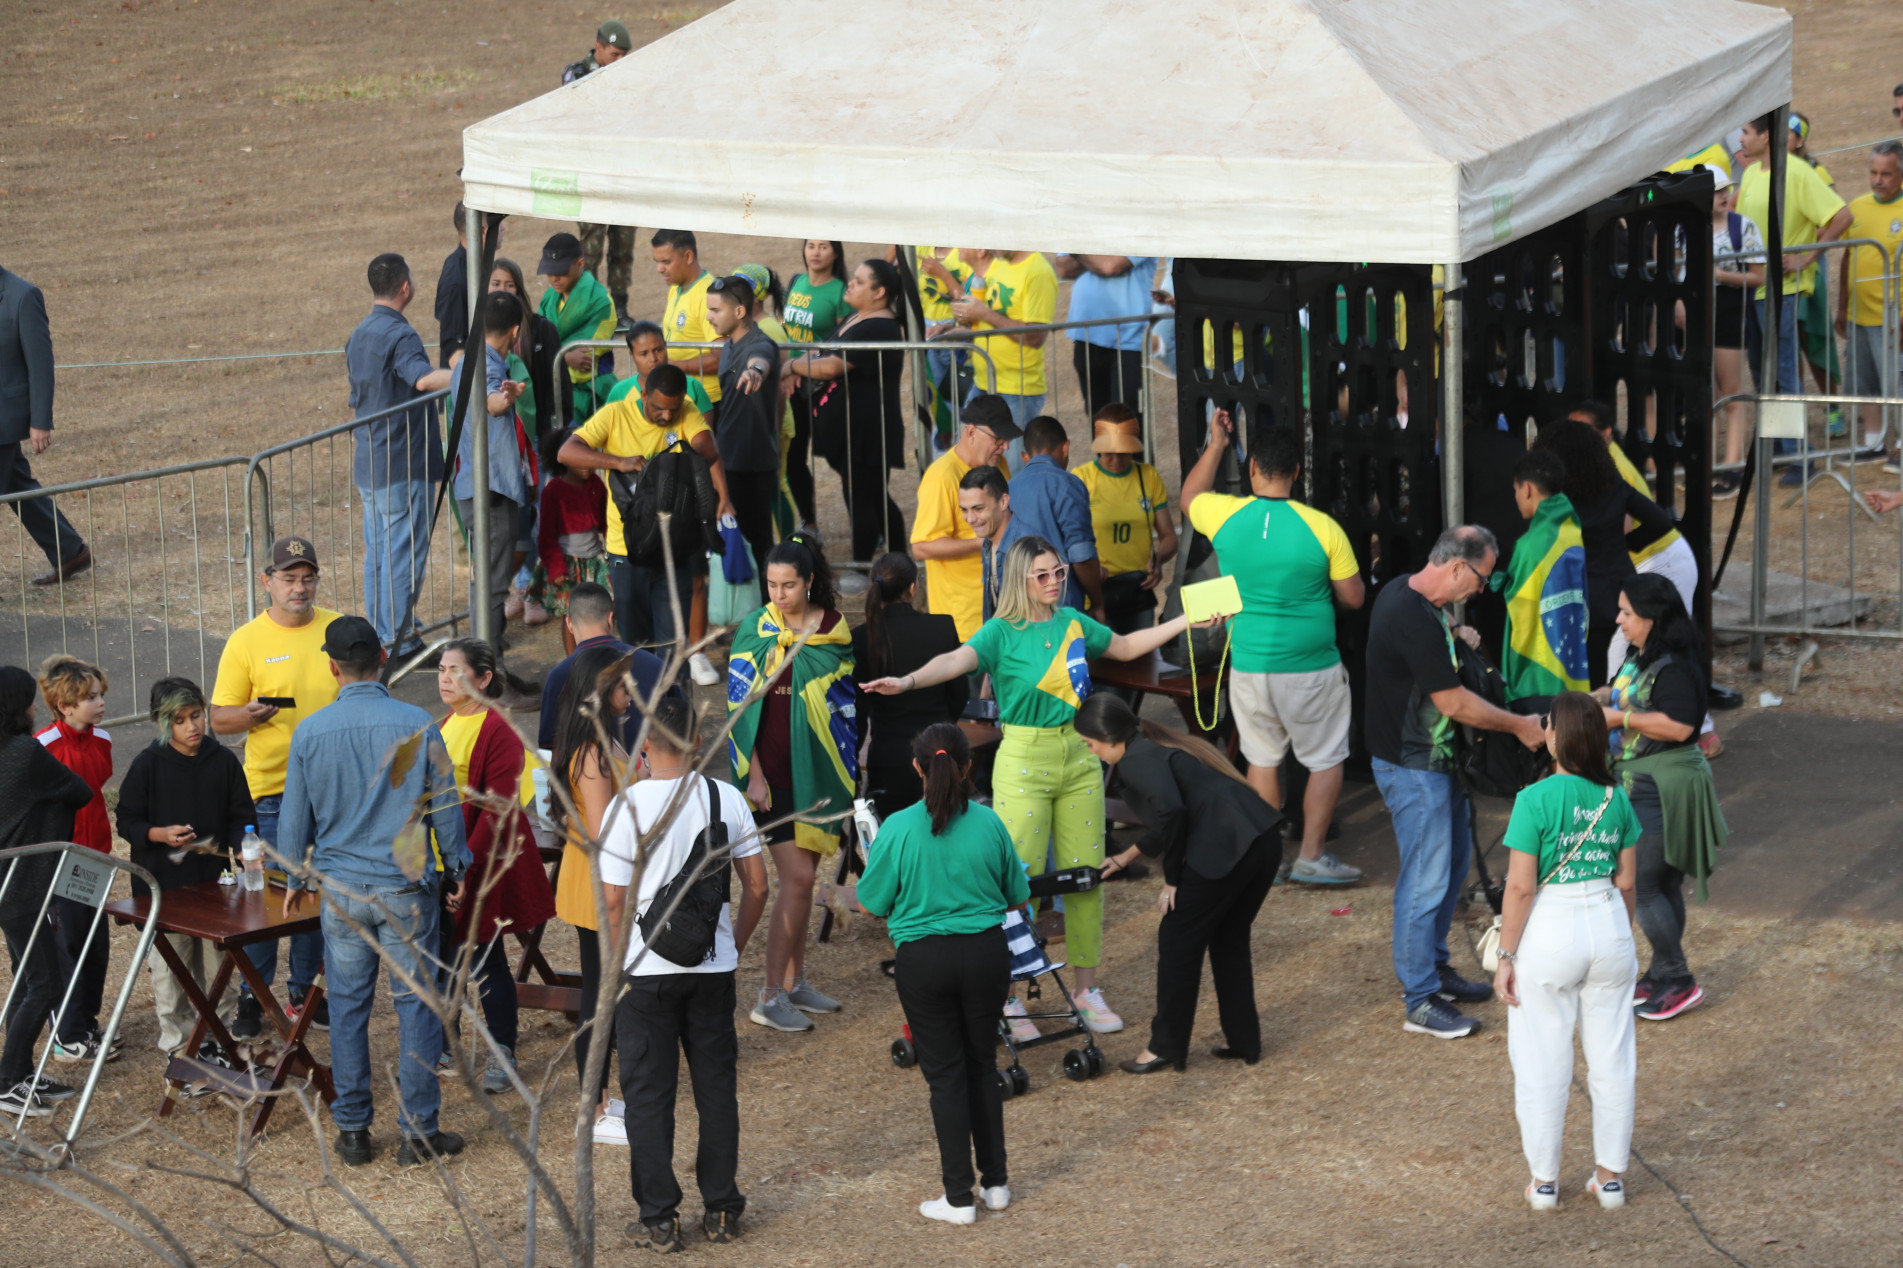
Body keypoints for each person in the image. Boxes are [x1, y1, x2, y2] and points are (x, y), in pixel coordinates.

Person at [864, 534, 1220, 1033]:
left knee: (1085, 874)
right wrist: (906, 682)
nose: (1055, 582)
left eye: (1059, 572)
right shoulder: (1000, 632)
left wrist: (1186, 620)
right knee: (1019, 881)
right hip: (1023, 760)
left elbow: (1123, 646)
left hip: (1080, 754)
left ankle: (1084, 990)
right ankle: (1009, 996)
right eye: (1043, 575)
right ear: (1020, 580)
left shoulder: (1075, 623)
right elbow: (954, 662)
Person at [276, 616, 470, 1168]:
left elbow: (294, 821)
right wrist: (455, 867)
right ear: (383, 657)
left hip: (341, 890)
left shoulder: (310, 731)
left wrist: (294, 878)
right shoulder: (416, 722)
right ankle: (418, 1131)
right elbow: (446, 807)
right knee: (415, 1009)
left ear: (332, 666)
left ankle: (354, 1129)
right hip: (405, 888)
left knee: (349, 1008)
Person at [1364, 526, 1546, 1039]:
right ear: (1458, 568)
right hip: (1414, 768)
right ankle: (1419, 998)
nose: (1481, 591)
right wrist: (1520, 726)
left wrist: (1454, 633)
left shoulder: (1411, 597)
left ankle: (1435, 966)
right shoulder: (1408, 613)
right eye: (1482, 579)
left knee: (1448, 872)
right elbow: (1454, 703)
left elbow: (1432, 638)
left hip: (1437, 765)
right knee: (1425, 879)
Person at [604, 695, 770, 1251]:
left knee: (649, 1093)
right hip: (711, 967)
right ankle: (722, 1207)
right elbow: (758, 886)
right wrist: (735, 944)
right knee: (715, 1089)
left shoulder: (626, 807)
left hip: (644, 971)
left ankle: (660, 1215)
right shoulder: (725, 798)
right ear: (699, 742)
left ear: (644, 745)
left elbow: (612, 900)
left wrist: (616, 962)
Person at [1180, 411, 1365, 886]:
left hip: (1249, 666)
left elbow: (1189, 497)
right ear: (1297, 473)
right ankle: (1311, 855)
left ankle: (1266, 857)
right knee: (1324, 759)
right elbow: (1354, 596)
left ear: (1254, 467)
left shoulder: (1226, 514)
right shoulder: (1323, 528)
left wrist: (1218, 444)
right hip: (1311, 669)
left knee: (1262, 759)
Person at [856, 723, 1030, 1225]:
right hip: (985, 953)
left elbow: (871, 903)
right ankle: (995, 1184)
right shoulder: (989, 823)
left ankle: (958, 1197)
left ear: (917, 767)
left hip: (924, 960)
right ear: (968, 766)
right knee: (981, 1065)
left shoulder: (898, 829)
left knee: (946, 1079)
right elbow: (1016, 895)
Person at [1491, 692, 1642, 1213]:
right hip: (1608, 922)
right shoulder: (1615, 796)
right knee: (1613, 1058)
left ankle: (1545, 1182)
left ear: (1555, 734)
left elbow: (1519, 889)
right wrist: (1618, 936)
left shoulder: (1534, 799)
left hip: (1551, 931)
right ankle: (1611, 1178)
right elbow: (1627, 882)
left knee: (1541, 1059)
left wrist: (1506, 955)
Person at [1081, 695, 1281, 1074]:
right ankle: (1243, 1039)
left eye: (1089, 744)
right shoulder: (1155, 743)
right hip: (1261, 839)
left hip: (1227, 849)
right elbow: (1168, 818)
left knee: (1177, 941)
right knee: (1229, 938)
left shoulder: (1136, 759)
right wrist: (1126, 857)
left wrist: (1172, 879)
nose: (1091, 752)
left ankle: (1165, 1047)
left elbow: (1173, 812)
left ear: (1106, 738)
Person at [209, 536, 339, 1039]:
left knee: (315, 897)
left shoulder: (338, 629)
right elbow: (219, 718)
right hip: (270, 793)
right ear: (267, 583)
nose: (299, 588)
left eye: (307, 578)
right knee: (262, 900)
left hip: (332, 791)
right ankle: (252, 994)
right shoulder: (246, 641)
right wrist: (250, 714)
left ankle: (306, 991)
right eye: (288, 579)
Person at [725, 536, 855, 1032]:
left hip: (820, 771)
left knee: (804, 882)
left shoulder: (833, 630)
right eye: (772, 585)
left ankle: (797, 982)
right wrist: (752, 775)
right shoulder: (755, 631)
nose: (778, 595)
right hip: (771, 778)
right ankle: (768, 993)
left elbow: (843, 705)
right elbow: (738, 709)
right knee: (798, 881)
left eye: (788, 585)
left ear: (809, 582)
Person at [1602, 574, 1725, 1023]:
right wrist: (1589, 702)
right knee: (1663, 883)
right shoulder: (1642, 654)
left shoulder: (1673, 665)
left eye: (1627, 613)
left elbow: (1680, 727)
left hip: (1661, 787)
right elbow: (1617, 693)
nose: (1619, 620)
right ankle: (1660, 972)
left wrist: (1620, 717)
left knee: (1645, 883)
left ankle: (1678, 978)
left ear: (1652, 618)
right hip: (1647, 784)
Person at [435, 638, 555, 1094]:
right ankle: (447, 1045)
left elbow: (499, 807)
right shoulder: (446, 722)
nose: (445, 678)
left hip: (482, 862)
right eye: (441, 670)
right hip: (449, 860)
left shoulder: (496, 728)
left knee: (486, 959)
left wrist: (464, 868)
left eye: (455, 670)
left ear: (483, 680)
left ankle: (502, 1052)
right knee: (445, 956)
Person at [1568, 402, 1718, 754]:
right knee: (1646, 646)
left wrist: (1619, 549)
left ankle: (1691, 732)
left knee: (1637, 646)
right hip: (1654, 558)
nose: (1578, 438)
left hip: (1660, 561)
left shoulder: (1607, 466)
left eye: (1585, 430)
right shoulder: (1603, 459)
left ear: (1606, 434)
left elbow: (1624, 524)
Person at [117, 677, 255, 1059]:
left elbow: (241, 815)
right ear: (161, 723)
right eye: (180, 720)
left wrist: (244, 848)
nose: (192, 727)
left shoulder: (223, 760)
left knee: (219, 970)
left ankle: (219, 1038)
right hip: (164, 890)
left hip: (213, 887)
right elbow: (126, 820)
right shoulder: (147, 765)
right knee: (170, 973)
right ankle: (179, 1049)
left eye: (197, 716)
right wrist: (159, 834)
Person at [558, 363, 733, 654]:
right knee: (637, 649)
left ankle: (674, 700)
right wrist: (618, 462)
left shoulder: (686, 409)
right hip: (628, 552)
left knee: (673, 647)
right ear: (643, 394)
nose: (666, 416)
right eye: (658, 408)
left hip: (674, 550)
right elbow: (566, 452)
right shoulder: (615, 414)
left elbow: (708, 447)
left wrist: (695, 453)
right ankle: (641, 701)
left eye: (673, 410)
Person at [546, 644, 640, 1145]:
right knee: (599, 996)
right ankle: (595, 1107)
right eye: (623, 684)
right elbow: (607, 830)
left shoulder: (606, 741)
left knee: (609, 990)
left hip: (612, 878)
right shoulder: (591, 753)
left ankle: (604, 1097)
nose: (631, 692)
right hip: (600, 880)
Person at [346, 253, 456, 653]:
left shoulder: (359, 333)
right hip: (404, 462)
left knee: (379, 554)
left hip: (371, 463)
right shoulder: (402, 335)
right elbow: (424, 378)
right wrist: (469, 373)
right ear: (406, 288)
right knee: (403, 556)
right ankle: (397, 640)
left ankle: (386, 627)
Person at [1736, 111, 1852, 485]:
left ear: (1766, 137)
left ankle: (1802, 459)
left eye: (1746, 132)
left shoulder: (1799, 173)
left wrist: (1806, 257)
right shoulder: (1752, 173)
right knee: (1761, 372)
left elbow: (1841, 215)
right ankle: (1782, 450)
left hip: (1783, 291)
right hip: (1754, 289)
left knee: (1784, 372)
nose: (1740, 139)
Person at [0, 666, 94, 1117]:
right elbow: (77, 791)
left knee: (26, 977)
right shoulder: (23, 752)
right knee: (44, 983)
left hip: (10, 885)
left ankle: (19, 1074)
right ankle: (7, 1080)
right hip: (24, 885)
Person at [1530, 419, 1675, 688]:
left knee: (1577, 687)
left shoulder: (1553, 501)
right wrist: (1624, 544)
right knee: (1618, 683)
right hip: (1619, 597)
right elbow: (1660, 521)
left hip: (1571, 601)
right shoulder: (1612, 486)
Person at [783, 258, 909, 564]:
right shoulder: (858, 318)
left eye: (860, 281)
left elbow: (833, 365)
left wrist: (791, 365)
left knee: (864, 497)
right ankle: (898, 559)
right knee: (873, 496)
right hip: (850, 425)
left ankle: (863, 568)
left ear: (879, 292)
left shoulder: (880, 326)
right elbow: (825, 351)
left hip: (868, 427)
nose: (850, 284)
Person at [34, 655, 116, 1063]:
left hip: (96, 854)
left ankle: (87, 1023)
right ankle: (66, 1033)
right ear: (64, 706)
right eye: (89, 698)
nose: (100, 703)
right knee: (66, 942)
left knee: (94, 943)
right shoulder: (42, 747)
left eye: (100, 695)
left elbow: (98, 786)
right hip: (60, 861)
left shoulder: (103, 740)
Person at [852, 553, 968, 819]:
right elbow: (959, 694)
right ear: (913, 588)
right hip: (941, 752)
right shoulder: (941, 626)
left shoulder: (861, 637)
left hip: (888, 757)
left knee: (894, 841)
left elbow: (857, 711)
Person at [0, 263, 91, 587]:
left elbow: (40, 364)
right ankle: (70, 552)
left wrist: (40, 421)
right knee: (16, 486)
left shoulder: (23, 295)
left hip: (4, 422)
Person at [451, 291, 533, 643]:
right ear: (515, 332)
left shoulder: (470, 359)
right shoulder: (487, 364)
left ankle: (488, 663)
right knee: (494, 585)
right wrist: (509, 396)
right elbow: (493, 404)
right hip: (490, 490)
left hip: (477, 486)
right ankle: (490, 669)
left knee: (486, 579)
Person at [911, 396, 1019, 640]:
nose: (1006, 447)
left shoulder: (997, 465)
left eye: (1007, 439)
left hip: (1001, 613)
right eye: (998, 439)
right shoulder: (942, 478)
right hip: (964, 625)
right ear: (971, 432)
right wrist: (981, 543)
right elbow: (921, 547)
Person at [1072, 405, 1177, 636]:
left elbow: (1168, 535)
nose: (1117, 459)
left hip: (1137, 591)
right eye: (1109, 452)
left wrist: (1158, 559)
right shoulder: (1081, 479)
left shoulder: (1148, 476)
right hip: (1097, 593)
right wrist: (1089, 566)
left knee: (1142, 665)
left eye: (1124, 452)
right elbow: (1066, 537)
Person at [706, 274, 782, 591]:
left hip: (751, 464)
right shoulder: (729, 346)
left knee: (759, 541)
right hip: (731, 459)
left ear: (739, 312)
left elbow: (761, 360)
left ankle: (769, 609)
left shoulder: (759, 343)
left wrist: (755, 372)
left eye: (715, 310)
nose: (709, 317)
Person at [536, 581, 673, 755]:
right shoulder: (656, 666)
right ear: (610, 619)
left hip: (584, 779)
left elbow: (549, 748)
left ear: (569, 624)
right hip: (652, 774)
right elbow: (681, 728)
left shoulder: (558, 676)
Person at [1497, 448, 1589, 699]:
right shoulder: (1571, 529)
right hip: (1569, 661)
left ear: (1526, 488)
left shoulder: (1530, 545)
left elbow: (1521, 606)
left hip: (1537, 676)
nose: (1516, 497)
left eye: (1515, 490)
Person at [952, 250, 1059, 467]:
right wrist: (954, 328)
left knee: (1012, 469)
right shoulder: (999, 265)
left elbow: (1035, 335)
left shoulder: (1038, 272)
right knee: (964, 462)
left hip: (1017, 390)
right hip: (983, 382)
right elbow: (988, 318)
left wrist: (984, 314)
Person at [560, 20, 635, 318]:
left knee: (623, 246)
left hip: (622, 172)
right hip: (591, 173)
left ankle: (621, 309)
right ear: (599, 47)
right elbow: (578, 110)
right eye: (615, 54)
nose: (620, 61)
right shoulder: (576, 73)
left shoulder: (631, 77)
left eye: (624, 56)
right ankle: (590, 308)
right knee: (590, 249)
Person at [1703, 167, 1767, 496]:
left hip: (1729, 309)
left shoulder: (1744, 227)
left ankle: (1731, 467)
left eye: (1726, 188)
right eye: (1715, 191)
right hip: (1698, 311)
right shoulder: (1686, 230)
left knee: (1731, 393)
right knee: (1707, 394)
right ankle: (1708, 463)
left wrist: (1719, 275)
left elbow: (1759, 276)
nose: (1724, 195)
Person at [1837, 141, 1903, 459]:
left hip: (1893, 318)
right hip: (1858, 314)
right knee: (1865, 382)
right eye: (1874, 172)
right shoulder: (1858, 207)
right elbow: (1848, 258)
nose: (1877, 180)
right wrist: (1841, 308)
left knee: (1898, 382)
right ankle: (1873, 442)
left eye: (1886, 174)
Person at [782, 240, 851, 533]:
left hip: (823, 388)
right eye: (811, 245)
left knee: (841, 461)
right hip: (793, 385)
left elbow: (844, 342)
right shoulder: (796, 282)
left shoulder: (841, 292)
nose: (816, 252)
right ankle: (809, 523)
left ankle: (868, 526)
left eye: (824, 246)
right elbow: (787, 330)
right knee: (794, 458)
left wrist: (811, 358)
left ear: (836, 252)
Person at [1005, 417, 1103, 613]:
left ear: (1025, 456)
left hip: (1018, 608)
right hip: (1060, 609)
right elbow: (1081, 555)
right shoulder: (1068, 484)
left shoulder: (1007, 490)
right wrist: (1098, 602)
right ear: (1065, 447)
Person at [529, 428, 609, 649]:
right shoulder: (553, 492)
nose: (587, 465)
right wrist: (556, 568)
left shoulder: (597, 486)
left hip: (595, 560)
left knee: (602, 610)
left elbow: (605, 522)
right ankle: (573, 662)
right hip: (567, 565)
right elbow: (546, 537)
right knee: (570, 615)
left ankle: (599, 653)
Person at [1054, 253, 1158, 420]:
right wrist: (1099, 260)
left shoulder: (1141, 228)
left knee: (1125, 424)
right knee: (1098, 423)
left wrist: (1077, 251)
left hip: (1128, 342)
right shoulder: (1084, 226)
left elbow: (1110, 266)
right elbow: (1064, 269)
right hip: (1086, 335)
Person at [537, 233, 619, 424]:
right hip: (555, 389)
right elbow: (537, 341)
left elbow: (586, 354)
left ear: (580, 264)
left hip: (591, 390)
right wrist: (564, 356)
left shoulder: (600, 300)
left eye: (561, 271)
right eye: (550, 272)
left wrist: (551, 353)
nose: (554, 278)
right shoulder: (549, 298)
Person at [653, 229, 723, 420]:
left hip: (707, 403)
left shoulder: (708, 295)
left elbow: (721, 357)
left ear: (688, 256)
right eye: (657, 262)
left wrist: (673, 366)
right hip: (683, 398)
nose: (659, 268)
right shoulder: (676, 289)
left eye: (666, 262)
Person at [600, 320, 715, 415]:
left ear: (665, 347)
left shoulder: (692, 387)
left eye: (658, 350)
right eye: (644, 354)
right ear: (632, 355)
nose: (653, 358)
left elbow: (705, 437)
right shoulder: (620, 393)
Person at [435, 203, 501, 369]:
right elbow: (455, 351)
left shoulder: (477, 267)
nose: (504, 227)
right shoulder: (456, 279)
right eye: (499, 224)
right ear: (483, 230)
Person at [958, 464, 1015, 622]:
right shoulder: (988, 545)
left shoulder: (1030, 548)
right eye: (964, 510)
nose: (970, 519)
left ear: (1003, 501)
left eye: (978, 509)